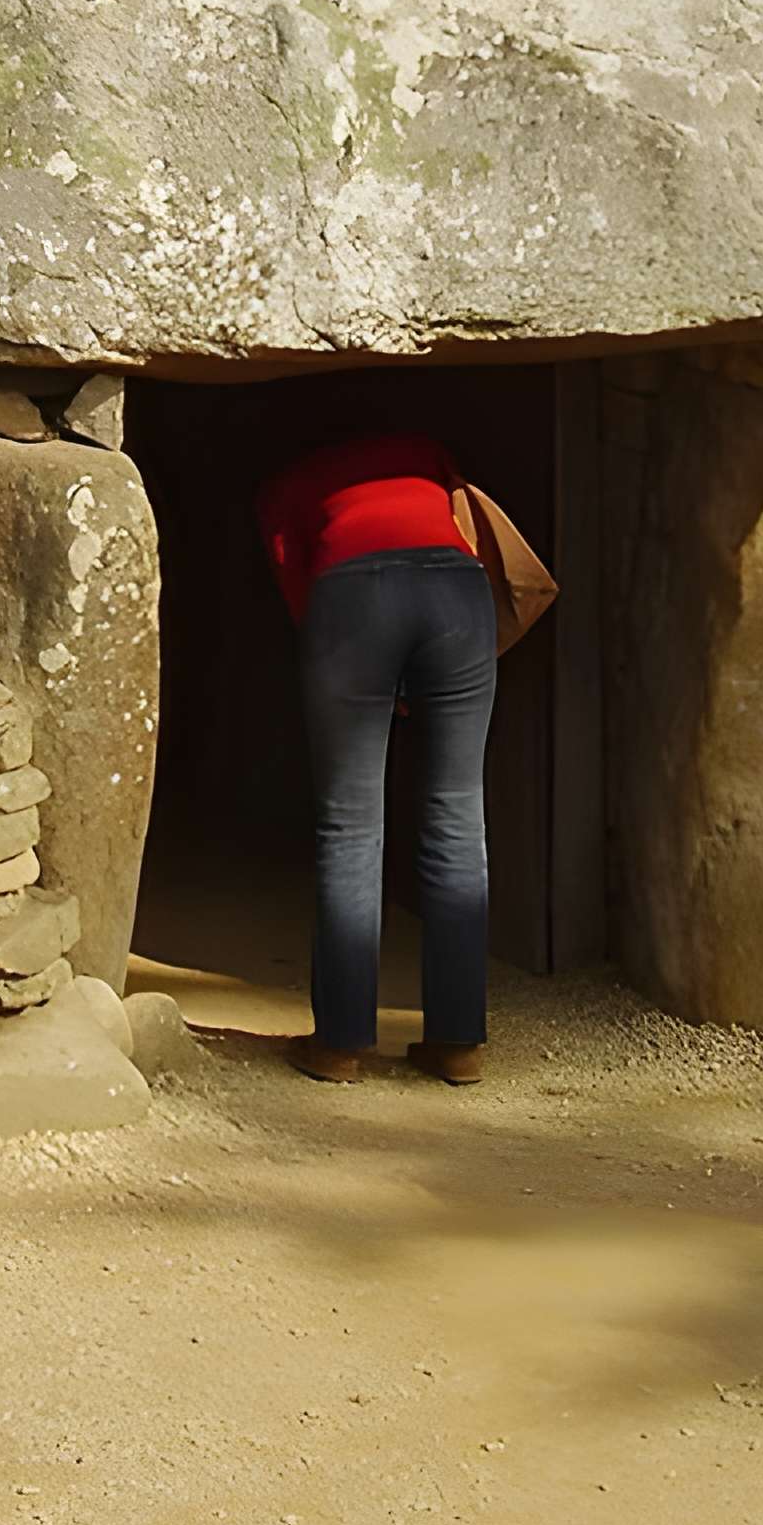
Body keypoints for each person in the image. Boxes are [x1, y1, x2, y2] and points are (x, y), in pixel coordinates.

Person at [256, 431, 497, 1087]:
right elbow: (466, 524)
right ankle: (457, 1044)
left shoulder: (288, 482)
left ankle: (339, 1046)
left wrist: (360, 674)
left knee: (350, 821)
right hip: (459, 594)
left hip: (352, 597)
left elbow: (294, 580)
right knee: (457, 815)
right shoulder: (424, 451)